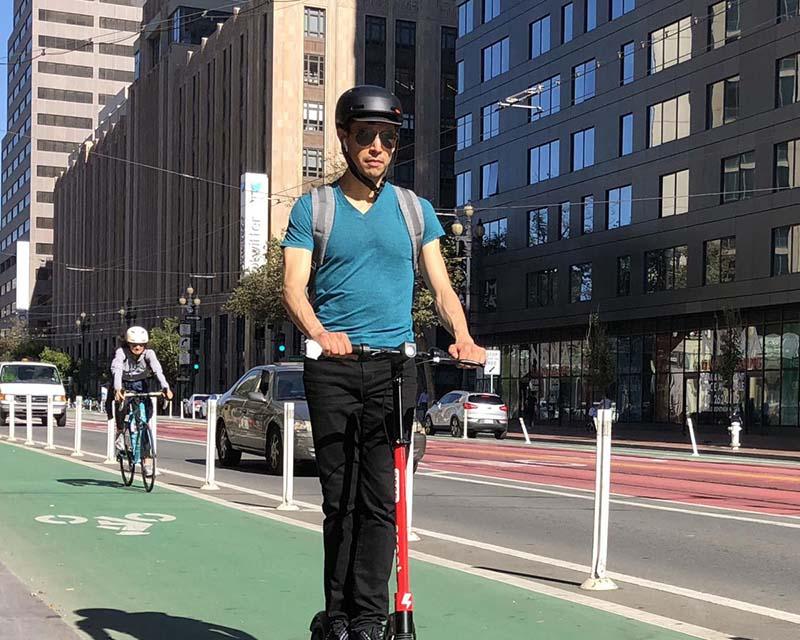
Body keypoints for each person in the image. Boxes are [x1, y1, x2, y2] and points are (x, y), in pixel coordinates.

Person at [282, 85, 485, 640]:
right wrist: (323, 333)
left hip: (396, 371)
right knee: (338, 498)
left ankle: (369, 619)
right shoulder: (314, 208)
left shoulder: (413, 210)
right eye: (366, 136)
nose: (377, 147)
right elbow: (294, 289)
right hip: (335, 370)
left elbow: (440, 287)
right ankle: (338, 614)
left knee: (380, 499)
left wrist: (463, 336)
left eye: (387, 139)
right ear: (346, 139)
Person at [108, 326, 173, 476]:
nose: (137, 347)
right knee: (120, 407)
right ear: (127, 344)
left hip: (140, 385)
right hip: (123, 383)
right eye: (133, 344)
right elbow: (117, 369)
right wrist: (118, 389)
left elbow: (157, 369)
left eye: (141, 345)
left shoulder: (149, 354)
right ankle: (120, 433)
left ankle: (147, 464)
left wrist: (166, 387)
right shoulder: (121, 352)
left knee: (143, 424)